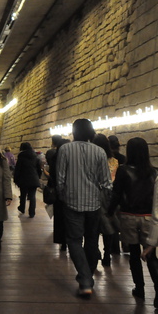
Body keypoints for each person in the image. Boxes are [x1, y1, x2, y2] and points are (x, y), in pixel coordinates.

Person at [56, 118, 112, 297]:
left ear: (74, 131)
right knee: (92, 239)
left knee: (73, 240)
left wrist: (63, 196)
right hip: (94, 203)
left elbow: (60, 179)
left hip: (71, 203)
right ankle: (88, 275)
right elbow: (106, 182)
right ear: (91, 131)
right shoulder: (99, 151)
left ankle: (85, 278)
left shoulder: (65, 149)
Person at [108, 137, 158, 305]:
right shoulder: (154, 172)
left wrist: (109, 211)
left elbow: (116, 193)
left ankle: (139, 288)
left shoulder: (123, 170)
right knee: (151, 255)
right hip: (148, 218)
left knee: (134, 255)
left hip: (129, 216)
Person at [93, 133, 119, 267]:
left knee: (94, 225)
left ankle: (95, 250)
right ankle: (107, 254)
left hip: (94, 195)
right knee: (108, 226)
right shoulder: (114, 161)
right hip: (109, 196)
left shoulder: (93, 160)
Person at [47, 137, 68, 250]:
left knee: (60, 218)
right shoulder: (69, 158)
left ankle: (62, 242)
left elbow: (52, 175)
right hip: (69, 193)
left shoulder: (55, 158)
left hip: (59, 193)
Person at [13, 142, 41, 218]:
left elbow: (18, 169)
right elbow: (39, 169)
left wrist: (15, 179)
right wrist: (38, 177)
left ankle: (22, 208)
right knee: (32, 196)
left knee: (23, 195)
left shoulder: (21, 156)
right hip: (33, 179)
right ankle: (32, 212)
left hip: (23, 179)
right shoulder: (35, 156)